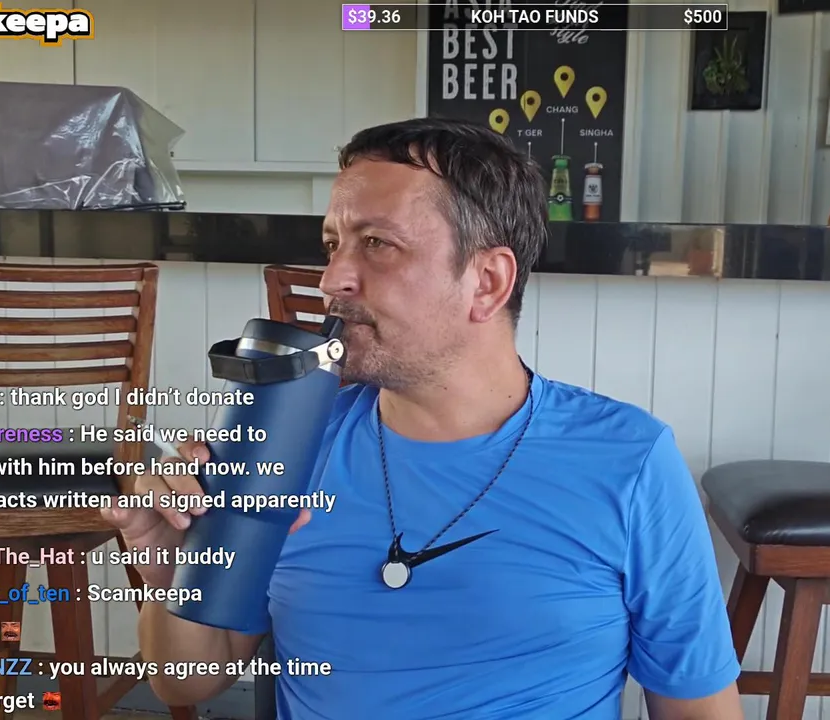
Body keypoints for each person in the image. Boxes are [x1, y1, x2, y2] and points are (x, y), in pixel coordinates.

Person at [102, 118, 743, 720]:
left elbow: (698, 708)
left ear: (487, 281)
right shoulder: (285, 444)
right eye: (333, 245)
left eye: (377, 244)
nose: (332, 279)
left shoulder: (629, 462)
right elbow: (186, 681)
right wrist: (169, 570)